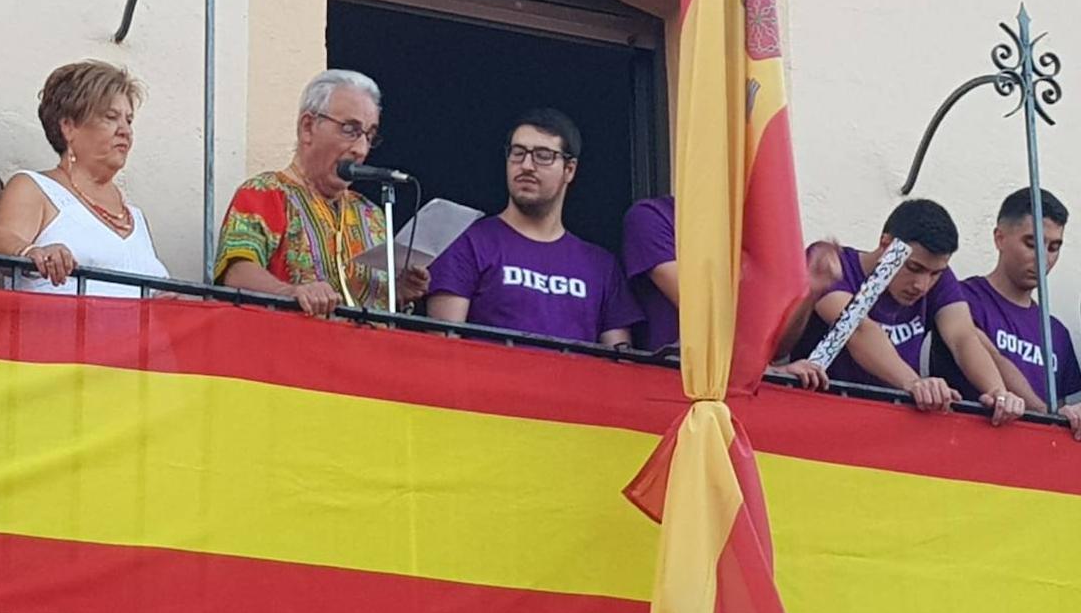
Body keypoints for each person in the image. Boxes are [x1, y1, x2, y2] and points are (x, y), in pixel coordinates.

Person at [214, 69, 428, 314]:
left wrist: (397, 290)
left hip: (366, 351)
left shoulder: (371, 214)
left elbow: (373, 302)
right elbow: (236, 273)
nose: (361, 149)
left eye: (369, 136)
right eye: (350, 130)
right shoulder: (265, 192)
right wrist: (293, 293)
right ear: (308, 127)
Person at [792, 198, 1023, 424]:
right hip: (819, 416)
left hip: (890, 425)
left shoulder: (938, 278)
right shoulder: (837, 265)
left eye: (934, 274)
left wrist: (997, 393)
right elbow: (857, 329)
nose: (921, 285)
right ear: (886, 245)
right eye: (913, 268)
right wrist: (913, 383)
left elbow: (963, 337)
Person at [427, 108, 641, 345]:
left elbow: (620, 363)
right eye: (518, 153)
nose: (527, 165)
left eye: (543, 155)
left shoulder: (601, 266)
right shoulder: (467, 242)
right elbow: (444, 348)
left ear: (569, 170)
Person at [0, 61, 167, 295]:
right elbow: (0, 243)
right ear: (69, 127)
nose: (125, 130)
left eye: (129, 120)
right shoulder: (34, 188)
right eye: (111, 117)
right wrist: (31, 252)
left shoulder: (136, 218)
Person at [621, 194, 839, 389]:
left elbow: (777, 345)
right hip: (673, 387)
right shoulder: (653, 216)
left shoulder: (757, 238)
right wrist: (768, 371)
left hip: (742, 392)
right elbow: (701, 309)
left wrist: (809, 287)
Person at [931, 188, 1081, 426]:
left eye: (1054, 248)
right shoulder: (962, 299)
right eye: (1031, 244)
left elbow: (1065, 415)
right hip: (964, 446)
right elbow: (988, 355)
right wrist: (1047, 415)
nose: (1043, 258)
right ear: (999, 238)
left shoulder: (1057, 334)